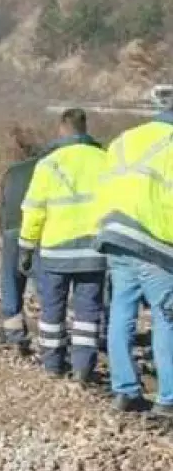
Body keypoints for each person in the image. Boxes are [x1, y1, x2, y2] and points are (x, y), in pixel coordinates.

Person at [94, 93, 173, 416]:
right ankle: (168, 398)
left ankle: (125, 390)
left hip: (113, 234)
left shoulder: (123, 140)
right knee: (166, 316)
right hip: (153, 240)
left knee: (121, 313)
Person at [19, 108, 106, 382]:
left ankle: (53, 364)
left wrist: (26, 247)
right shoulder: (105, 159)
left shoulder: (48, 164)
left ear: (61, 129)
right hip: (94, 250)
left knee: (52, 309)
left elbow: (34, 211)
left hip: (56, 251)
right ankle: (83, 367)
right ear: (85, 128)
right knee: (88, 311)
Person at [0, 145, 42, 354]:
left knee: (11, 281)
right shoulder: (50, 167)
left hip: (11, 230)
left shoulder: (12, 171)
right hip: (38, 230)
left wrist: (4, 232)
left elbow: (3, 206)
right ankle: (46, 334)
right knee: (43, 283)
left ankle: (14, 334)